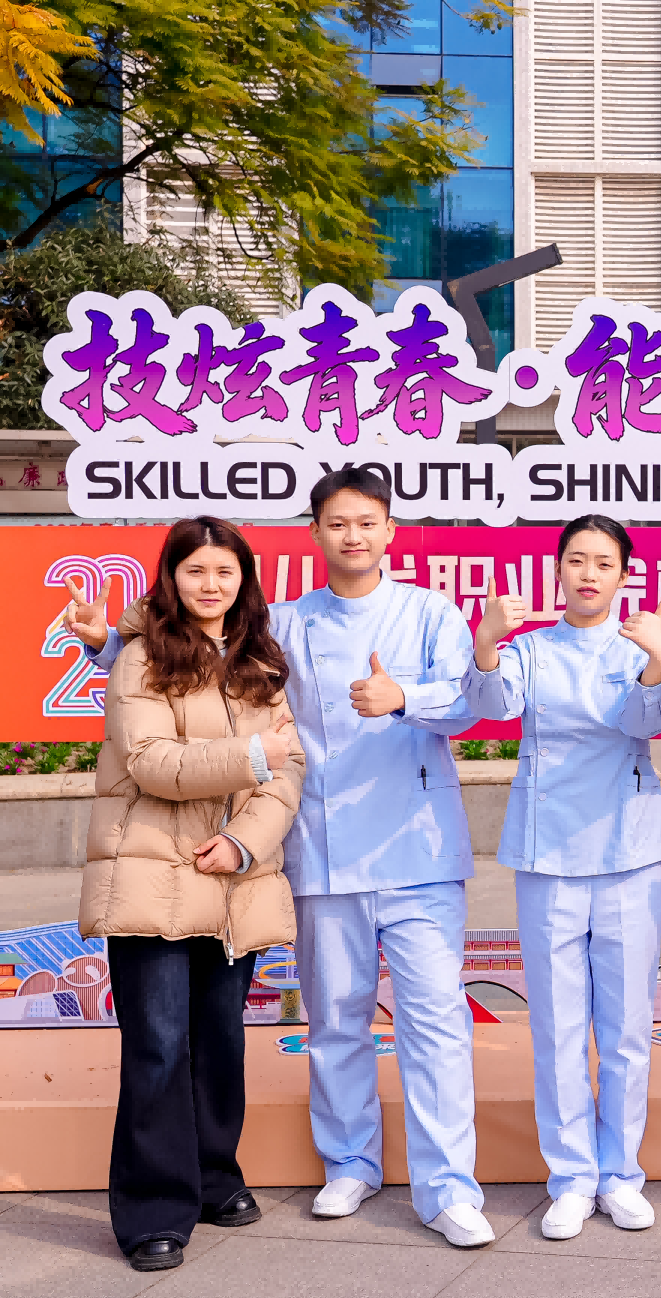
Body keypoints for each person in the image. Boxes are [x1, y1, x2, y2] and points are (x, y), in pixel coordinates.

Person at [67, 466, 499, 1249]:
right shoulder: (288, 625)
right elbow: (187, 662)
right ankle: (349, 1164)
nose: (353, 535)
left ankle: (447, 1189)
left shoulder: (431, 612)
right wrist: (105, 645)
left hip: (418, 849)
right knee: (334, 1021)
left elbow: (472, 704)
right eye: (338, 522)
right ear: (315, 532)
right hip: (321, 850)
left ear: (390, 530)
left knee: (435, 1023)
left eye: (367, 521)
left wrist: (405, 699)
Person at [79, 517, 305, 1271]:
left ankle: (214, 1177)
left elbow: (289, 770)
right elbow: (152, 762)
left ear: (244, 580)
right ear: (171, 577)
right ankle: (153, 1212)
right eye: (195, 571)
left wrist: (244, 841)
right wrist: (253, 755)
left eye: (224, 572)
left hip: (232, 876)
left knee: (219, 1041)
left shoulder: (259, 661)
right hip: (151, 875)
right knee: (157, 1046)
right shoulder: (141, 657)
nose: (211, 585)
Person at [469, 514, 661, 1240]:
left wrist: (658, 662)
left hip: (627, 850)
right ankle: (570, 1178)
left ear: (624, 575)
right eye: (577, 561)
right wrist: (488, 644)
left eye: (604, 563)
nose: (589, 574)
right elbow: (493, 708)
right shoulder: (530, 650)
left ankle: (620, 1175)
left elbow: (645, 724)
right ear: (557, 570)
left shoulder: (640, 645)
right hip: (548, 853)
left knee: (624, 1029)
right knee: (558, 1027)